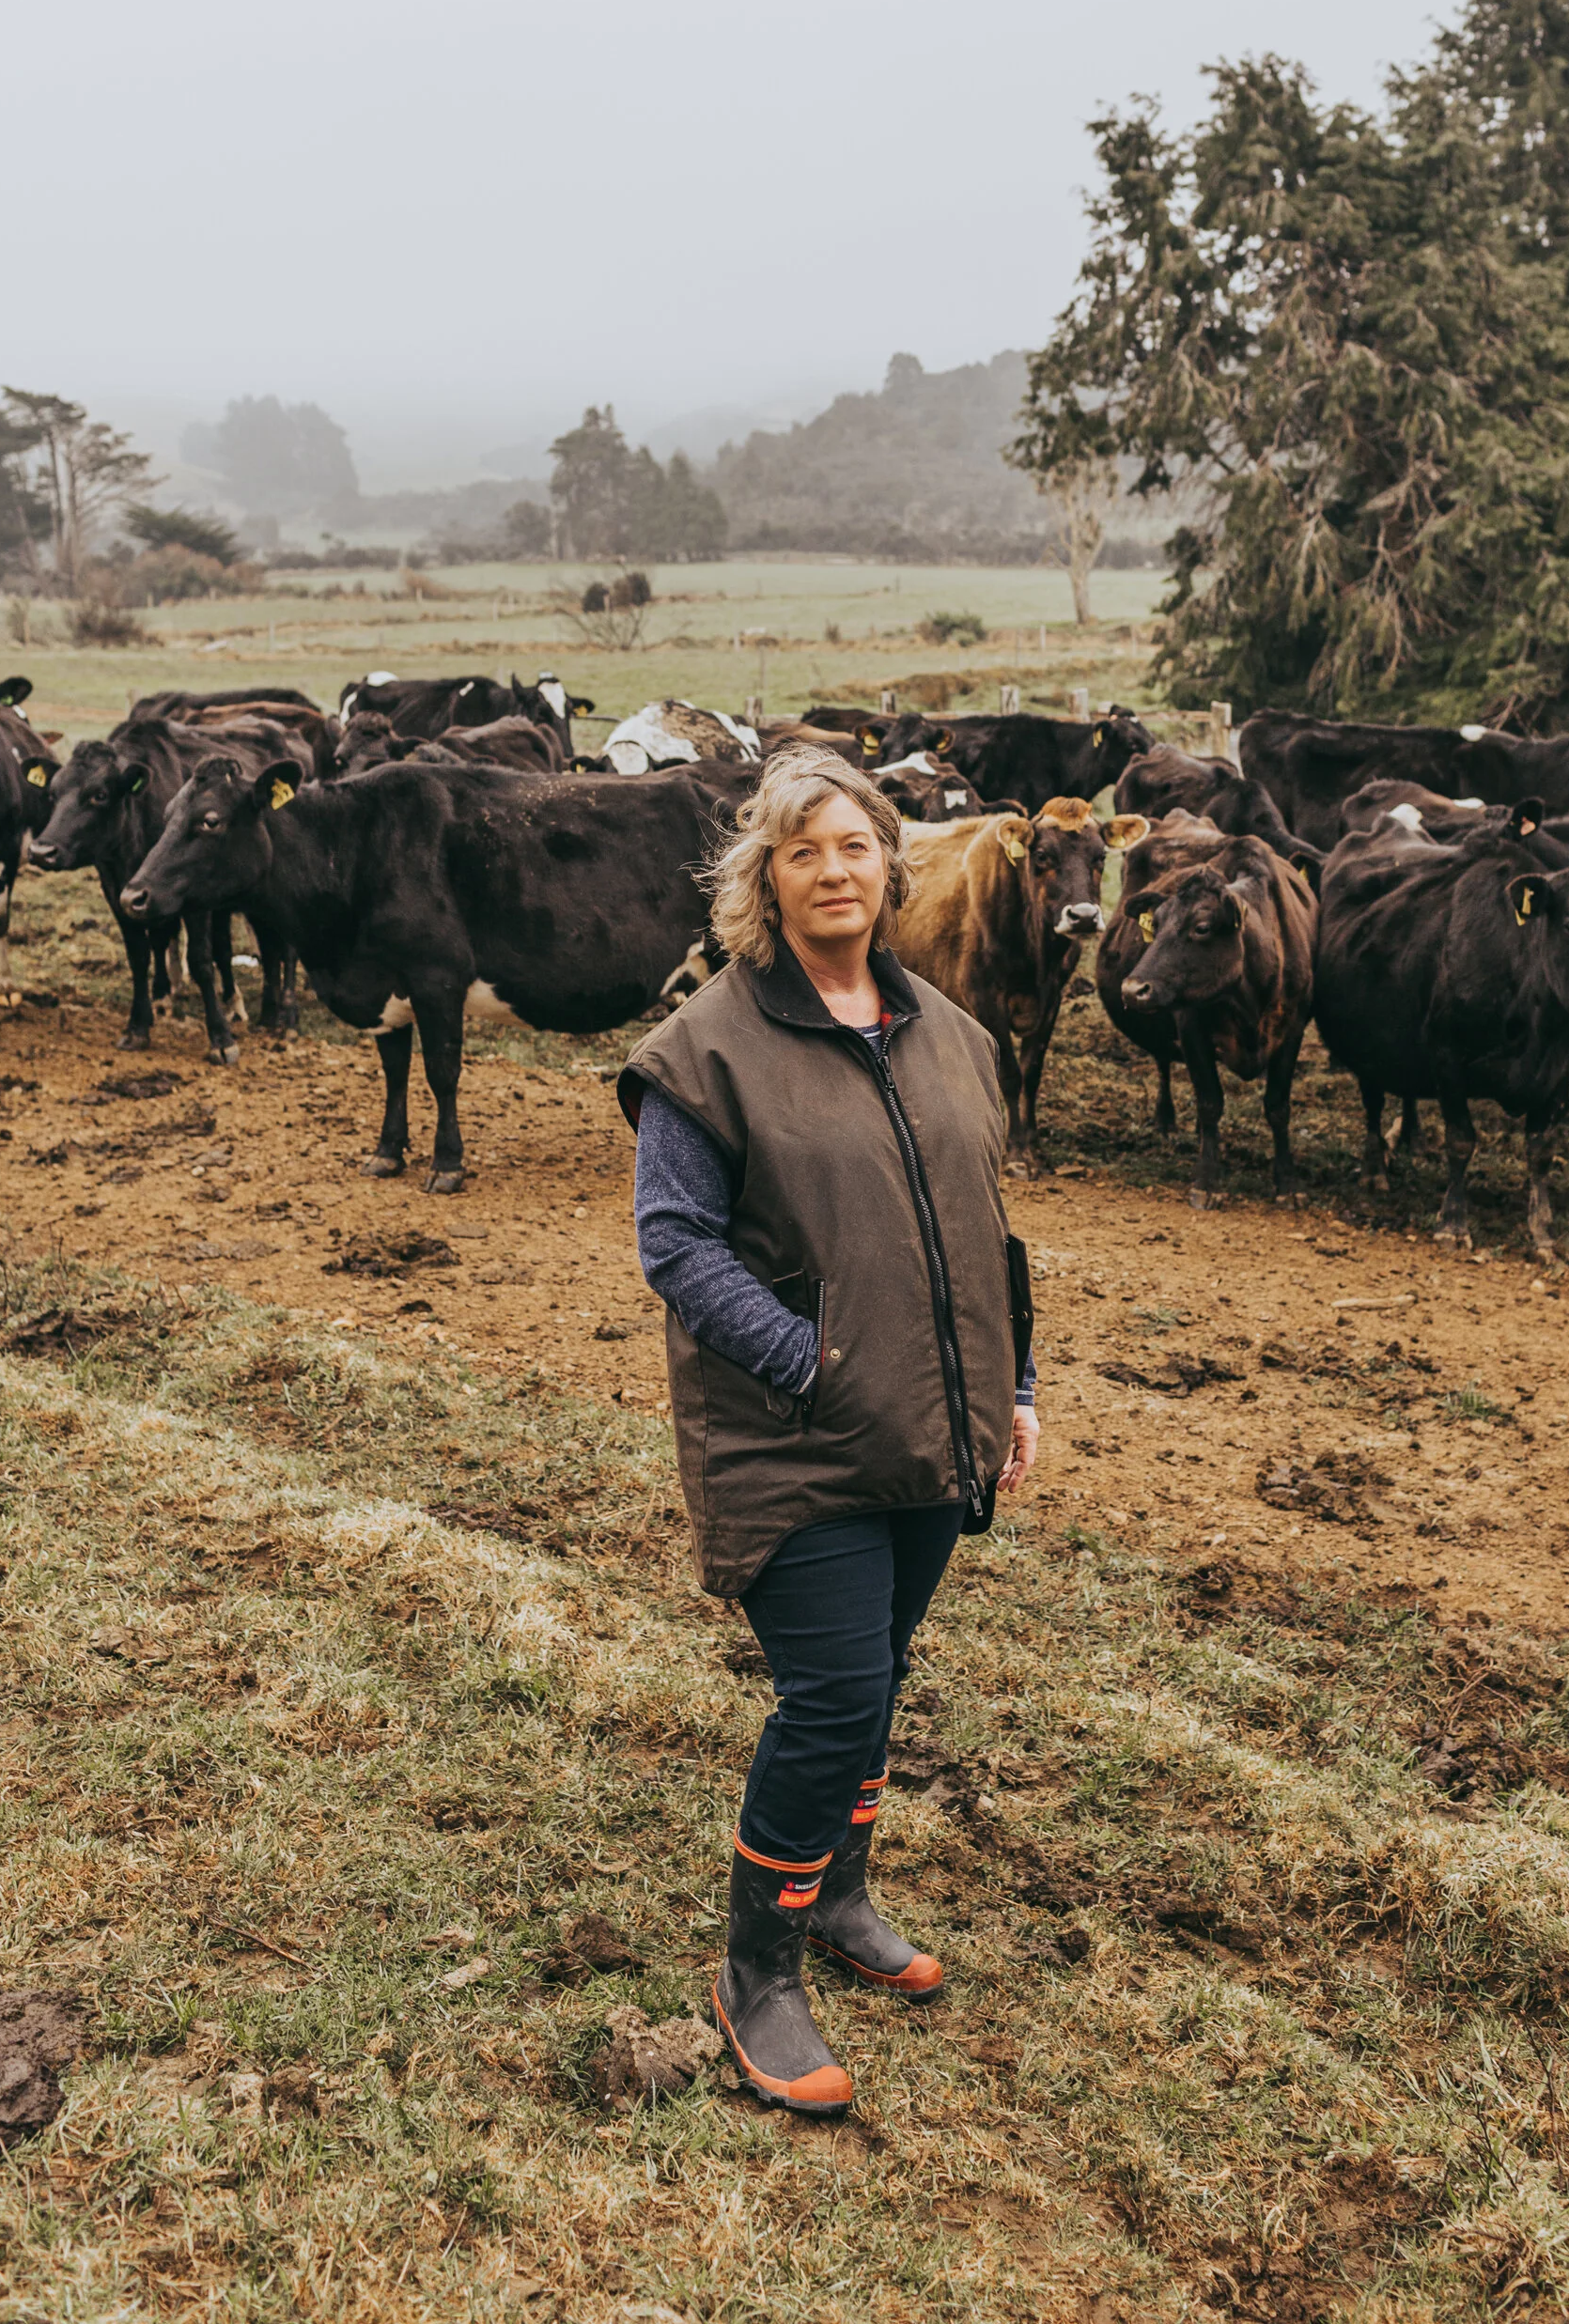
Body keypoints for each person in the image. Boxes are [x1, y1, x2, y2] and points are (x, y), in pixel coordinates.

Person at [616, 747, 1039, 2117]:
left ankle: (841, 1896)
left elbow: (989, 1231)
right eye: (806, 852)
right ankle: (757, 1969)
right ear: (766, 879)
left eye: (856, 847)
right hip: (794, 1436)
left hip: (934, 1425)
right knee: (836, 1694)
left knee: (884, 1666)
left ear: (889, 867)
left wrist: (1015, 1387)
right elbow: (675, 1247)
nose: (836, 871)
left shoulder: (954, 1036)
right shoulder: (706, 1048)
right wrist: (810, 1359)